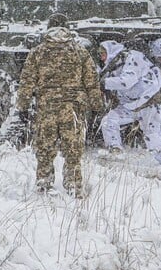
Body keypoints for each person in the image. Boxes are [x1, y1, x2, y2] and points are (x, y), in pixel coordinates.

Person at [15, 13, 103, 196]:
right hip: (73, 109)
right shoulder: (80, 51)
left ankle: (43, 184)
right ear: (67, 28)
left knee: (45, 149)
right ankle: (73, 186)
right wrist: (97, 106)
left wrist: (22, 106)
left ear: (49, 28)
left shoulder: (38, 52)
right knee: (73, 150)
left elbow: (27, 82)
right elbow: (91, 81)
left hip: (47, 108)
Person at [98, 40, 161, 165]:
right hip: (130, 105)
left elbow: (126, 82)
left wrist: (104, 83)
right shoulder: (115, 65)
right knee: (109, 121)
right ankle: (116, 151)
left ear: (111, 51)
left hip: (149, 104)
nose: (101, 57)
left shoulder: (132, 58)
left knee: (152, 136)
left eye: (103, 53)